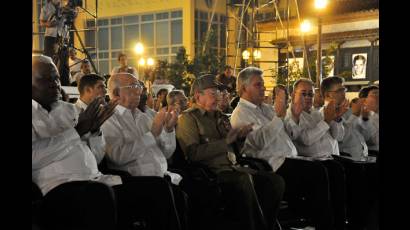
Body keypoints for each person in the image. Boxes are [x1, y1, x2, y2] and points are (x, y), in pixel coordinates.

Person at [32, 55, 182, 230]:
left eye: (57, 78)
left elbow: (94, 157)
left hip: (97, 180)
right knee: (99, 195)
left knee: (159, 188)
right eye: (46, 79)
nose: (55, 83)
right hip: (58, 188)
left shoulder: (69, 110)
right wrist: (78, 131)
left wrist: (95, 132)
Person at [231, 67, 338, 230]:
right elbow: (259, 142)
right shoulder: (240, 113)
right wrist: (278, 117)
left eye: (263, 84)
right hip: (272, 165)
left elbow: (289, 132)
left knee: (333, 169)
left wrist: (293, 115)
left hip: (290, 158)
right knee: (318, 172)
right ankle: (323, 224)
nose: (263, 88)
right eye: (258, 85)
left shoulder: (265, 108)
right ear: (244, 88)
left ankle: (335, 220)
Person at [176, 74, 285, 230]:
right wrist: (225, 142)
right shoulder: (189, 118)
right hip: (211, 173)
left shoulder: (220, 117)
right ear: (198, 96)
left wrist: (239, 138)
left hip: (233, 167)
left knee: (274, 181)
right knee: (243, 180)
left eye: (219, 92)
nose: (218, 97)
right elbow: (192, 154)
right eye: (213, 93)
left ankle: (265, 224)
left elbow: (235, 150)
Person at [102, 73, 189, 230]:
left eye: (139, 86)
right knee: (166, 192)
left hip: (161, 177)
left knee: (192, 188)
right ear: (116, 93)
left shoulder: (144, 117)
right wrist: (152, 134)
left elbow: (167, 153)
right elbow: (118, 157)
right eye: (133, 87)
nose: (139, 91)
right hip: (133, 181)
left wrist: (168, 130)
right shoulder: (108, 118)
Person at [285, 77, 348, 230]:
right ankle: (329, 224)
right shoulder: (291, 114)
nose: (308, 98)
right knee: (335, 171)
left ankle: (346, 221)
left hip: (329, 158)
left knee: (356, 171)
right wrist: (326, 121)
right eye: (303, 94)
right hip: (311, 161)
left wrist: (336, 118)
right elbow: (305, 140)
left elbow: (338, 136)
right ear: (294, 94)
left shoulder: (316, 113)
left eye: (311, 94)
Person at [359, 85, 379, 152]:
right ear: (364, 100)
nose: (378, 96)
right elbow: (369, 141)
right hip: (371, 155)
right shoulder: (359, 117)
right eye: (375, 94)